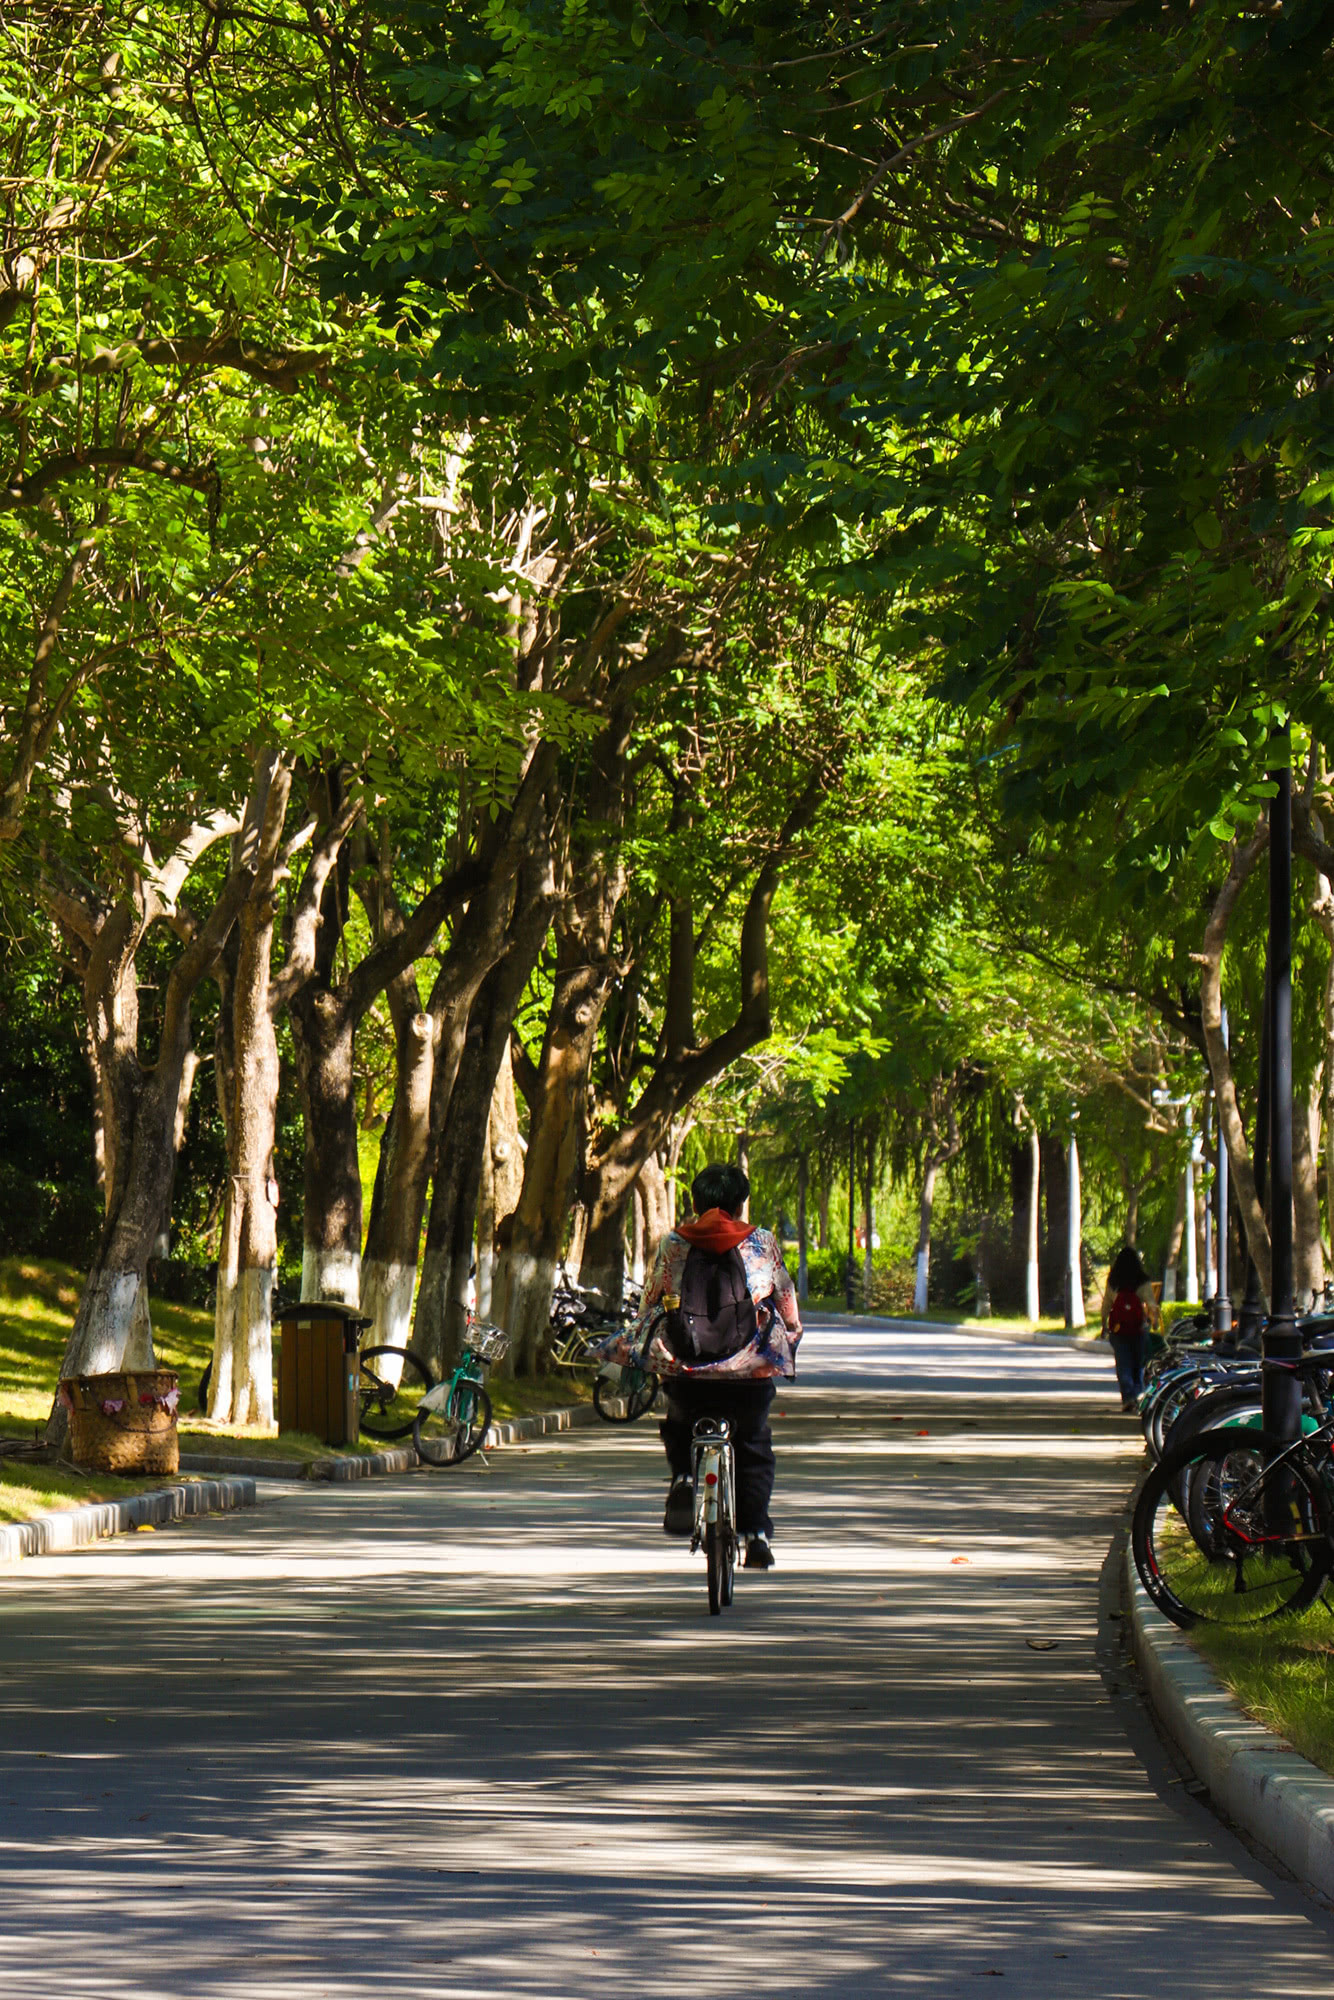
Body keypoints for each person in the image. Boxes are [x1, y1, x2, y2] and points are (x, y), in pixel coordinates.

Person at [632, 1162, 802, 1570]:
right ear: (740, 1205)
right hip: (748, 1375)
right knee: (754, 1444)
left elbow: (650, 1301)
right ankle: (756, 1534)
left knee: (678, 1425)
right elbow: (785, 1300)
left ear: (696, 1201)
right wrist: (791, 1336)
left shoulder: (675, 1244)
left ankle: (684, 1478)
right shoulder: (760, 1243)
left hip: (689, 1375)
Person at [1100, 1245, 1159, 1411]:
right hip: (1139, 1328)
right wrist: (1153, 1323)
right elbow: (1151, 1304)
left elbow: (1106, 1304)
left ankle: (1127, 1399)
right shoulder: (1142, 1280)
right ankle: (1139, 1396)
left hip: (1119, 1330)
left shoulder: (1113, 1281)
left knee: (1123, 1364)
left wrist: (1103, 1324)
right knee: (1139, 1364)